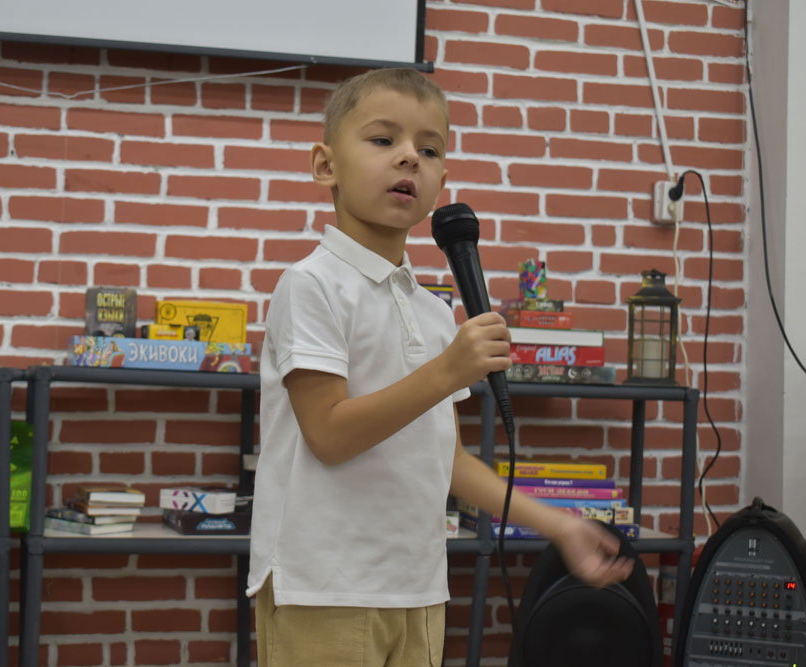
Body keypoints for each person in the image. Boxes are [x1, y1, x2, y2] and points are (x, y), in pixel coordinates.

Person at [246, 67, 634, 667]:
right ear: (326, 166)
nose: (409, 159)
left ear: (442, 181)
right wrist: (448, 372)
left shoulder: (433, 312)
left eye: (428, 149)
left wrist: (556, 525)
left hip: (418, 590)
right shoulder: (311, 285)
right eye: (383, 140)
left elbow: (446, 462)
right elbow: (327, 434)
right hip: (322, 588)